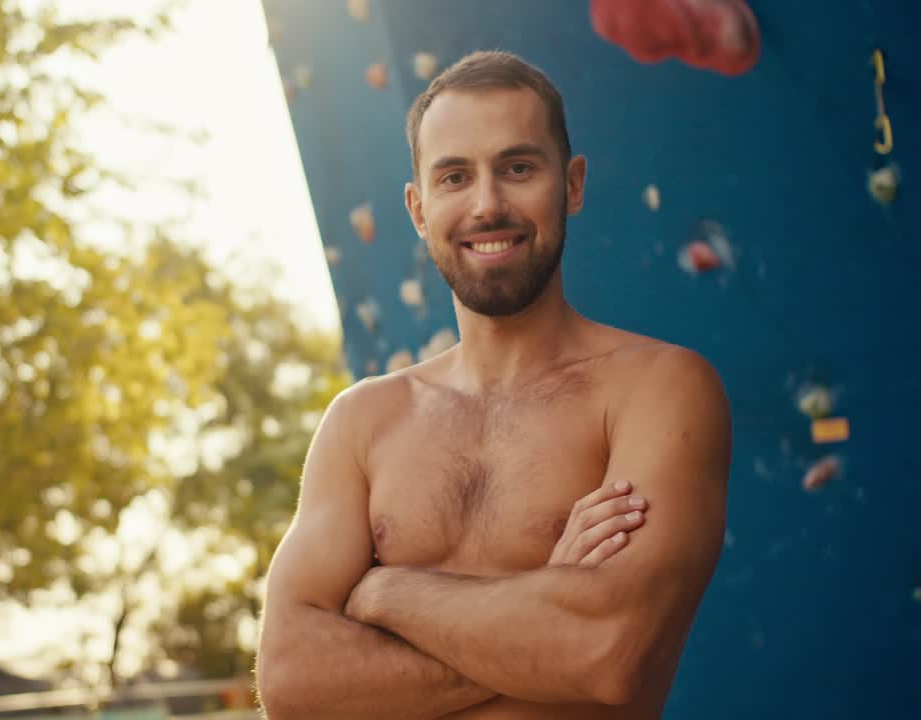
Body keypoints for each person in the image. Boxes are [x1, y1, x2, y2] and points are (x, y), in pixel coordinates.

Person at [254, 50, 731, 719]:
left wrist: (384, 594)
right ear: (419, 209)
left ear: (572, 185)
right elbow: (291, 680)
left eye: (517, 168)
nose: (487, 204)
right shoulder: (362, 422)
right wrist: (545, 611)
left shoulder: (658, 390)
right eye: (455, 177)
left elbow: (609, 652)